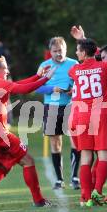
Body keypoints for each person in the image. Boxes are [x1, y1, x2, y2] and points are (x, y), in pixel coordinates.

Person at [0, 56, 55, 209]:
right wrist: (45, 79)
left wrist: (38, 76)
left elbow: (15, 85)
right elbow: (23, 89)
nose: (8, 71)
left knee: (6, 165)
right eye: (5, 68)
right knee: (28, 161)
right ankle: (39, 201)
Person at [68, 38, 107, 207]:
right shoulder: (103, 66)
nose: (76, 53)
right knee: (103, 155)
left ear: (83, 53)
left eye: (78, 50)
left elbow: (75, 73)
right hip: (102, 115)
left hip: (82, 117)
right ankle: (97, 191)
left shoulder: (74, 69)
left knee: (85, 156)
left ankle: (86, 196)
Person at [35, 37, 80, 190]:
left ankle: (75, 177)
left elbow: (82, 83)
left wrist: (73, 90)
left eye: (60, 51)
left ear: (65, 50)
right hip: (52, 107)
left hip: (70, 106)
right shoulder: (45, 65)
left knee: (76, 140)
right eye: (55, 51)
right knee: (56, 142)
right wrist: (51, 89)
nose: (58, 54)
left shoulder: (74, 64)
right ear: (50, 52)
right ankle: (59, 179)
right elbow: (36, 86)